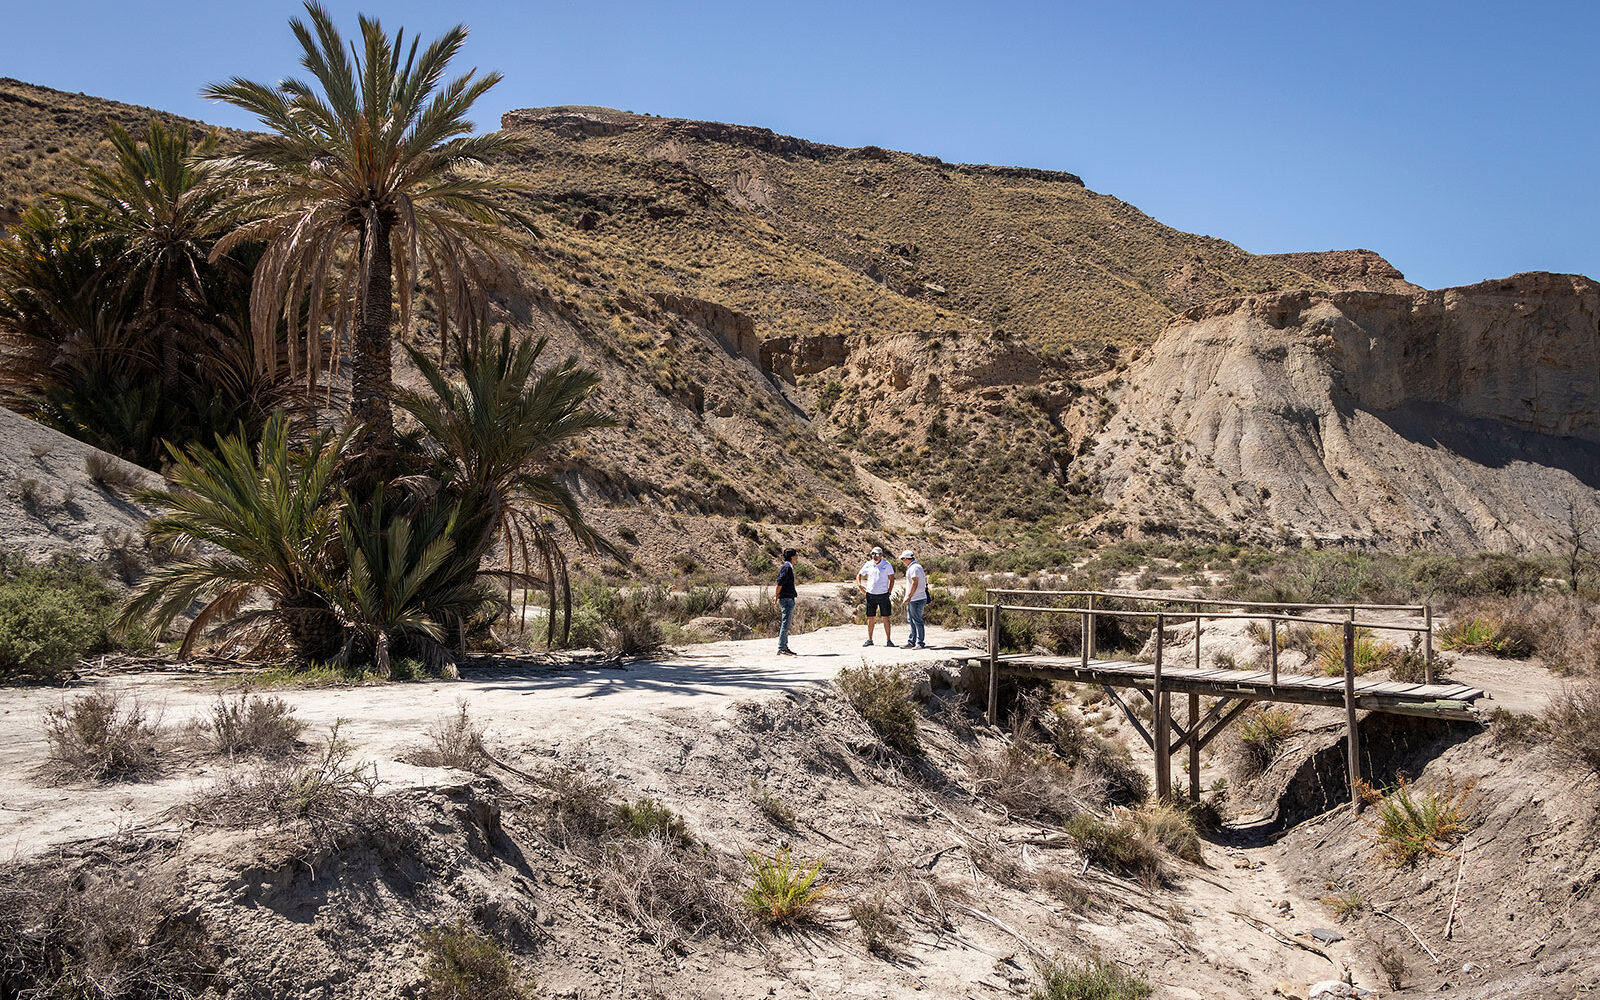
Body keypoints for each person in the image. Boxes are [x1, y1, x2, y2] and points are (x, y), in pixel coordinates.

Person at [856, 546, 896, 646]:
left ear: (881, 555)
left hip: (883, 595)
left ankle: (888, 640)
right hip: (871, 595)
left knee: (885, 617)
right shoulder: (868, 564)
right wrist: (859, 585)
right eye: (873, 554)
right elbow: (859, 575)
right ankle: (870, 639)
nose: (875, 556)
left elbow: (892, 579)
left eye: (877, 554)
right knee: (870, 617)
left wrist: (889, 592)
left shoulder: (887, 565)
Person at [901, 549, 928, 649]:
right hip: (915, 598)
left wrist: (909, 596)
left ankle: (919, 642)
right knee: (912, 620)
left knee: (916, 620)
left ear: (907, 558)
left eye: (903, 559)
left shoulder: (914, 568)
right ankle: (912, 641)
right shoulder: (915, 567)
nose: (903, 561)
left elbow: (914, 583)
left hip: (916, 598)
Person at [774, 548, 798, 656]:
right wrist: (777, 596)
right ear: (792, 557)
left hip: (788, 598)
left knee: (786, 624)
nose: (797, 558)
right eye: (796, 556)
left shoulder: (788, 567)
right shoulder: (786, 568)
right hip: (786, 599)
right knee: (785, 623)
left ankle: (784, 646)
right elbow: (780, 583)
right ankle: (782, 647)